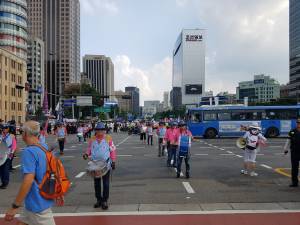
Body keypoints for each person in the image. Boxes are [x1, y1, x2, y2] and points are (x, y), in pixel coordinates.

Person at [4, 121, 56, 225]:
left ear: (25, 134)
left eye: (21, 131)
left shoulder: (29, 152)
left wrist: (15, 206)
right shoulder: (43, 146)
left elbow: (28, 180)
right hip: (42, 197)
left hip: (37, 203)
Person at [83, 122, 117, 210]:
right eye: (98, 130)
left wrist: (113, 161)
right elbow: (89, 149)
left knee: (106, 184)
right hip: (95, 165)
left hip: (106, 164)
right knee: (96, 184)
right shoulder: (92, 139)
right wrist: (86, 154)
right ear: (96, 131)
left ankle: (105, 200)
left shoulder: (108, 138)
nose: (100, 131)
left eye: (102, 130)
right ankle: (98, 200)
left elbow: (112, 150)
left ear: (104, 130)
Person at [284, 119, 300, 187]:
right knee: (294, 168)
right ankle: (294, 182)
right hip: (294, 152)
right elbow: (288, 140)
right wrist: (285, 149)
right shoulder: (292, 131)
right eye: (298, 123)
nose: (299, 124)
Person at [0, 125, 16, 189]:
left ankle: (5, 183)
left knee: (5, 169)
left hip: (8, 154)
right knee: (1, 170)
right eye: (3, 128)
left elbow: (14, 145)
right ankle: (3, 182)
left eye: (6, 128)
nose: (4, 129)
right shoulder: (0, 136)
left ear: (8, 129)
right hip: (1, 155)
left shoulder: (11, 136)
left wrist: (12, 152)